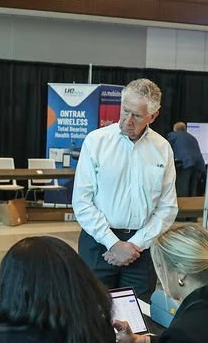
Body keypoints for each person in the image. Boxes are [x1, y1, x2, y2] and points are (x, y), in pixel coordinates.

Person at [72, 78, 178, 302]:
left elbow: (167, 208)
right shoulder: (96, 142)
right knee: (93, 313)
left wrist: (134, 246)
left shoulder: (162, 149)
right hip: (98, 243)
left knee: (138, 318)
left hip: (142, 247)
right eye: (124, 111)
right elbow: (82, 202)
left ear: (153, 116)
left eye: (137, 115)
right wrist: (113, 243)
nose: (127, 120)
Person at [166, 122, 206, 198]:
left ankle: (182, 209)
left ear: (175, 129)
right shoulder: (192, 137)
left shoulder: (172, 135)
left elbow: (165, 148)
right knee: (192, 192)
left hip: (185, 164)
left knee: (182, 191)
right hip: (199, 166)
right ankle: (191, 208)